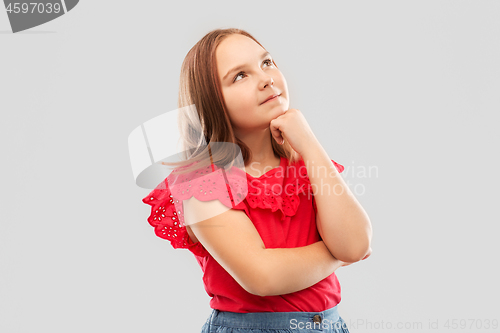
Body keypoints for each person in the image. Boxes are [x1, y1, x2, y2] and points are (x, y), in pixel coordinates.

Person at [142, 28, 373, 333]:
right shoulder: (203, 183)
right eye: (240, 76)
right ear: (212, 101)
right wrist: (337, 253)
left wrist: (310, 145)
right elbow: (262, 277)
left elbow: (357, 242)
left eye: (266, 63)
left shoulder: (307, 163)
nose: (266, 78)